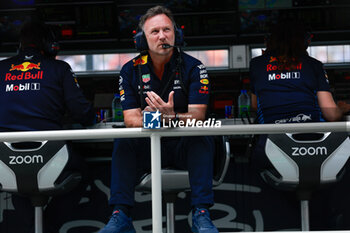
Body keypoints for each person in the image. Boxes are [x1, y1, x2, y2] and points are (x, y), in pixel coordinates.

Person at [99, 5, 219, 233]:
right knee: (123, 139)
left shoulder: (195, 67)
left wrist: (171, 116)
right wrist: (161, 118)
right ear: (142, 40)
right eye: (155, 31)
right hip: (149, 152)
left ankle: (202, 213)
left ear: (177, 34)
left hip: (184, 149)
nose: (162, 36)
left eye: (167, 30)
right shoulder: (129, 70)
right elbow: (131, 120)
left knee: (201, 132)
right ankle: (121, 214)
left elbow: (198, 115)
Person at [0, 20, 95, 232]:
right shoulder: (59, 68)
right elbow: (83, 113)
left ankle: (36, 227)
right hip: (50, 155)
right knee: (84, 173)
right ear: (50, 45)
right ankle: (50, 227)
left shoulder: (1, 68)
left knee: (20, 187)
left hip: (4, 158)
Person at [249, 19, 350, 170]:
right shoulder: (313, 65)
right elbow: (331, 115)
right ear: (304, 41)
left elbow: (254, 106)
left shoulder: (256, 65)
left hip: (271, 146)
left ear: (270, 40)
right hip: (314, 145)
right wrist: (341, 108)